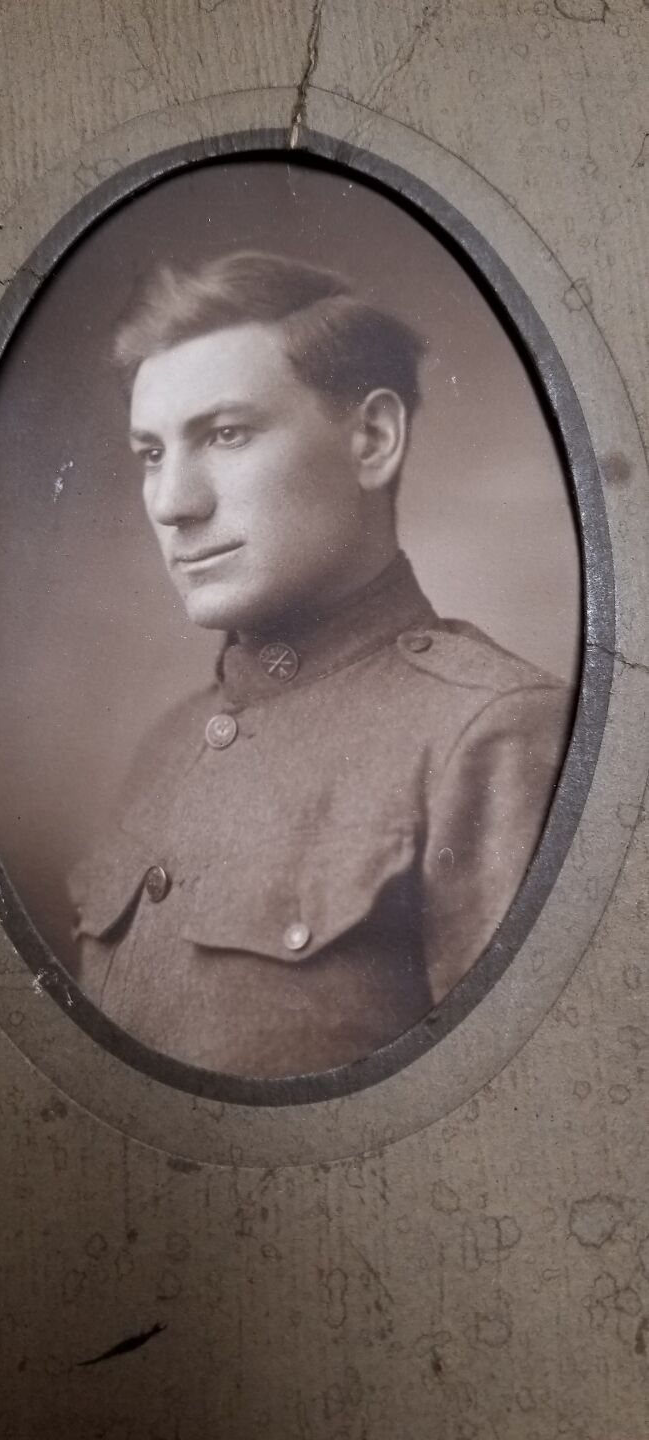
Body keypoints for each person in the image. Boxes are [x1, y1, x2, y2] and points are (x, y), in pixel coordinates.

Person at [69, 250, 572, 1080]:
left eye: (225, 434)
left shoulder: (493, 734)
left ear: (372, 439)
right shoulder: (165, 746)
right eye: (151, 453)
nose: (172, 502)